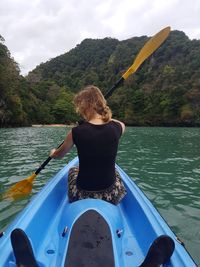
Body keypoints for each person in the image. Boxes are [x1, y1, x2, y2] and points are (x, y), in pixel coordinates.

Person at [50, 85, 126, 205]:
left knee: (72, 171)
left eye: (80, 106)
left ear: (86, 106)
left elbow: (58, 155)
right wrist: (103, 115)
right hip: (111, 195)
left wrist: (53, 152)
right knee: (115, 171)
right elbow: (117, 122)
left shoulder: (76, 132)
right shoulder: (118, 127)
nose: (79, 110)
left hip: (82, 195)